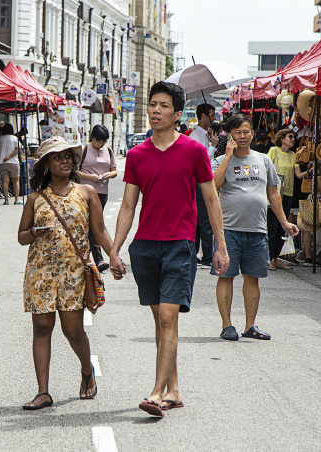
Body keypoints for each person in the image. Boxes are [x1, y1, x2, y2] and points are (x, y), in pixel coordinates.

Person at [109, 81, 230, 417]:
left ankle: (156, 392)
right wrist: (115, 249)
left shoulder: (193, 152)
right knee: (164, 324)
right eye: (152, 104)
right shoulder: (136, 155)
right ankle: (174, 391)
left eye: (163, 106)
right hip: (145, 247)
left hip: (180, 244)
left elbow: (210, 198)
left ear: (178, 114)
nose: (155, 110)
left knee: (167, 317)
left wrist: (220, 247)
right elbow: (128, 207)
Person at [18, 136, 115, 410]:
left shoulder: (86, 192)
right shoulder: (35, 199)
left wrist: (114, 256)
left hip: (74, 272)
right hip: (41, 272)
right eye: (57, 157)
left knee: (72, 331)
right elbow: (22, 236)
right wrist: (34, 232)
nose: (65, 161)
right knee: (41, 328)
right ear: (46, 164)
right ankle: (43, 392)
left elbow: (100, 231)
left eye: (68, 156)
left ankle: (87, 369)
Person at [211, 114, 299, 342]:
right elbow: (213, 186)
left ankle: (250, 326)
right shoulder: (220, 160)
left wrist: (284, 222)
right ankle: (227, 325)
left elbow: (273, 193)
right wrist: (228, 157)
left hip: (257, 229)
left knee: (253, 278)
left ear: (252, 133)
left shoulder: (263, 160)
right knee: (226, 276)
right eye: (237, 132)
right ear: (229, 135)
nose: (242, 136)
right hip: (228, 230)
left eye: (246, 131)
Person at [266, 129, 310, 270]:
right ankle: (268, 258)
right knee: (272, 226)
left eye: (293, 137)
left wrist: (309, 170)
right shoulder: (274, 150)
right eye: (290, 137)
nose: (293, 139)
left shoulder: (293, 155)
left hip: (287, 193)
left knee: (281, 227)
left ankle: (275, 257)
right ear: (281, 138)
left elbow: (298, 174)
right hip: (274, 192)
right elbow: (266, 168)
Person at [76, 125, 117, 272]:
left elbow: (114, 171)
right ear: (92, 137)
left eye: (103, 142)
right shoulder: (84, 150)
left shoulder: (108, 151)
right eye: (98, 141)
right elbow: (75, 171)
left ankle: (82, 256)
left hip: (102, 192)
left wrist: (109, 175)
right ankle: (99, 260)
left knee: (92, 225)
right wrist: (90, 177)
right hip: (85, 191)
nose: (101, 144)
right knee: (92, 225)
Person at [190, 103, 220, 269]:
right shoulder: (195, 136)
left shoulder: (206, 135)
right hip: (198, 181)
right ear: (203, 116)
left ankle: (200, 255)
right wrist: (213, 147)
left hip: (205, 180)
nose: (214, 118)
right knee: (204, 219)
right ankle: (206, 256)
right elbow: (200, 161)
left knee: (202, 219)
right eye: (212, 115)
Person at [0, 123, 21, 205]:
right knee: (16, 181)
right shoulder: (15, 138)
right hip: (13, 162)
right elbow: (18, 150)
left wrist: (3, 154)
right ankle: (16, 199)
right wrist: (9, 157)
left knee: (5, 182)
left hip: (2, 162)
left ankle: (6, 200)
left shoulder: (0, 139)